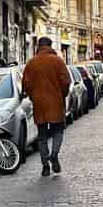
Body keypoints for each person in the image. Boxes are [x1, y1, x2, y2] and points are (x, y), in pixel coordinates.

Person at [22, 35, 70, 177]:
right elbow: (66, 81)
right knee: (58, 131)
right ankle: (54, 154)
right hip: (55, 102)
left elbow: (26, 84)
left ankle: (45, 166)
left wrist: (33, 96)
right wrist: (62, 94)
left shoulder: (31, 63)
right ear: (50, 46)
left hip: (39, 104)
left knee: (42, 136)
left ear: (38, 46)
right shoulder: (58, 61)